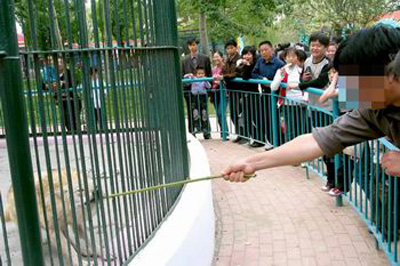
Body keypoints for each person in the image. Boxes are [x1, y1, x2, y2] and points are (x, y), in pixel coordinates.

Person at [222, 25, 400, 185]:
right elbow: (316, 141)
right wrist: (251, 163)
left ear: (389, 70)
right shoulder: (373, 111)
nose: (347, 90)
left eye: (354, 80)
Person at [251, 40, 285, 148]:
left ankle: (276, 141)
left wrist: (272, 83)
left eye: (266, 49)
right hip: (264, 94)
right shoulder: (260, 61)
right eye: (261, 51)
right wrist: (262, 79)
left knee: (273, 118)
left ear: (272, 50)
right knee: (263, 117)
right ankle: (268, 140)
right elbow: (254, 73)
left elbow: (283, 77)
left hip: (276, 94)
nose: (264, 52)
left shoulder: (279, 63)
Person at [271, 48, 307, 142]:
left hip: (301, 104)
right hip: (288, 105)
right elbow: (273, 87)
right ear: (285, 58)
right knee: (290, 130)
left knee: (301, 130)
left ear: (297, 58)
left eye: (293, 56)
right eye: (288, 56)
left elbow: (306, 85)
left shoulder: (301, 70)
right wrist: (280, 76)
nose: (291, 59)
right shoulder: (281, 70)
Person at [181, 38, 212, 134]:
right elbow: (182, 74)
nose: (193, 47)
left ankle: (206, 131)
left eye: (194, 45)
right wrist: (187, 80)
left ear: (197, 45)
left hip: (202, 90)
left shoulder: (205, 58)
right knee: (192, 111)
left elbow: (209, 74)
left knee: (203, 110)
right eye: (191, 45)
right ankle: (192, 131)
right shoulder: (184, 60)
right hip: (189, 91)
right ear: (188, 47)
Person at [235, 46, 258, 144]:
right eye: (245, 54)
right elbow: (239, 73)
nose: (247, 56)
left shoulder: (256, 65)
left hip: (256, 95)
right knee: (247, 117)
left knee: (256, 118)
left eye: (249, 54)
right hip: (245, 95)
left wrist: (248, 65)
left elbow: (246, 76)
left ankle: (258, 138)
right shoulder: (243, 65)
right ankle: (251, 137)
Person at [54, 57, 82, 132]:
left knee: (72, 122)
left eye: (60, 62)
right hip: (63, 102)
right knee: (66, 121)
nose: (59, 64)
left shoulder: (69, 73)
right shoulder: (55, 75)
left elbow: (71, 85)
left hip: (72, 101)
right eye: (57, 63)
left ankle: (76, 136)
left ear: (64, 64)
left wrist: (61, 84)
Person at [222, 39, 241, 142]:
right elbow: (224, 70)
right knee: (233, 113)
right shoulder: (227, 60)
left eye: (231, 47)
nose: (230, 50)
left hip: (239, 89)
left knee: (240, 113)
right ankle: (239, 133)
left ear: (236, 47)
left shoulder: (240, 59)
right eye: (228, 48)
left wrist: (225, 76)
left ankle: (243, 134)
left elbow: (237, 73)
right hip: (231, 90)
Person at [185, 67, 212, 139]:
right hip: (194, 98)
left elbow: (209, 86)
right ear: (196, 74)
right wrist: (190, 75)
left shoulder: (204, 80)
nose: (201, 75)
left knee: (204, 113)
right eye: (199, 74)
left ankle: (205, 129)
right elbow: (186, 80)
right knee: (195, 113)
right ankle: (196, 127)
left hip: (202, 98)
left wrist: (205, 80)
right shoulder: (193, 79)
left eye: (202, 73)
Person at [211, 50, 228, 137]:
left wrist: (221, 81)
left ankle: (225, 133)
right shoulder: (213, 69)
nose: (215, 58)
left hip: (224, 92)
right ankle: (223, 132)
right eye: (214, 57)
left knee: (221, 112)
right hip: (215, 93)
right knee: (218, 113)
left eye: (217, 56)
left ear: (222, 57)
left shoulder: (225, 68)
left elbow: (228, 79)